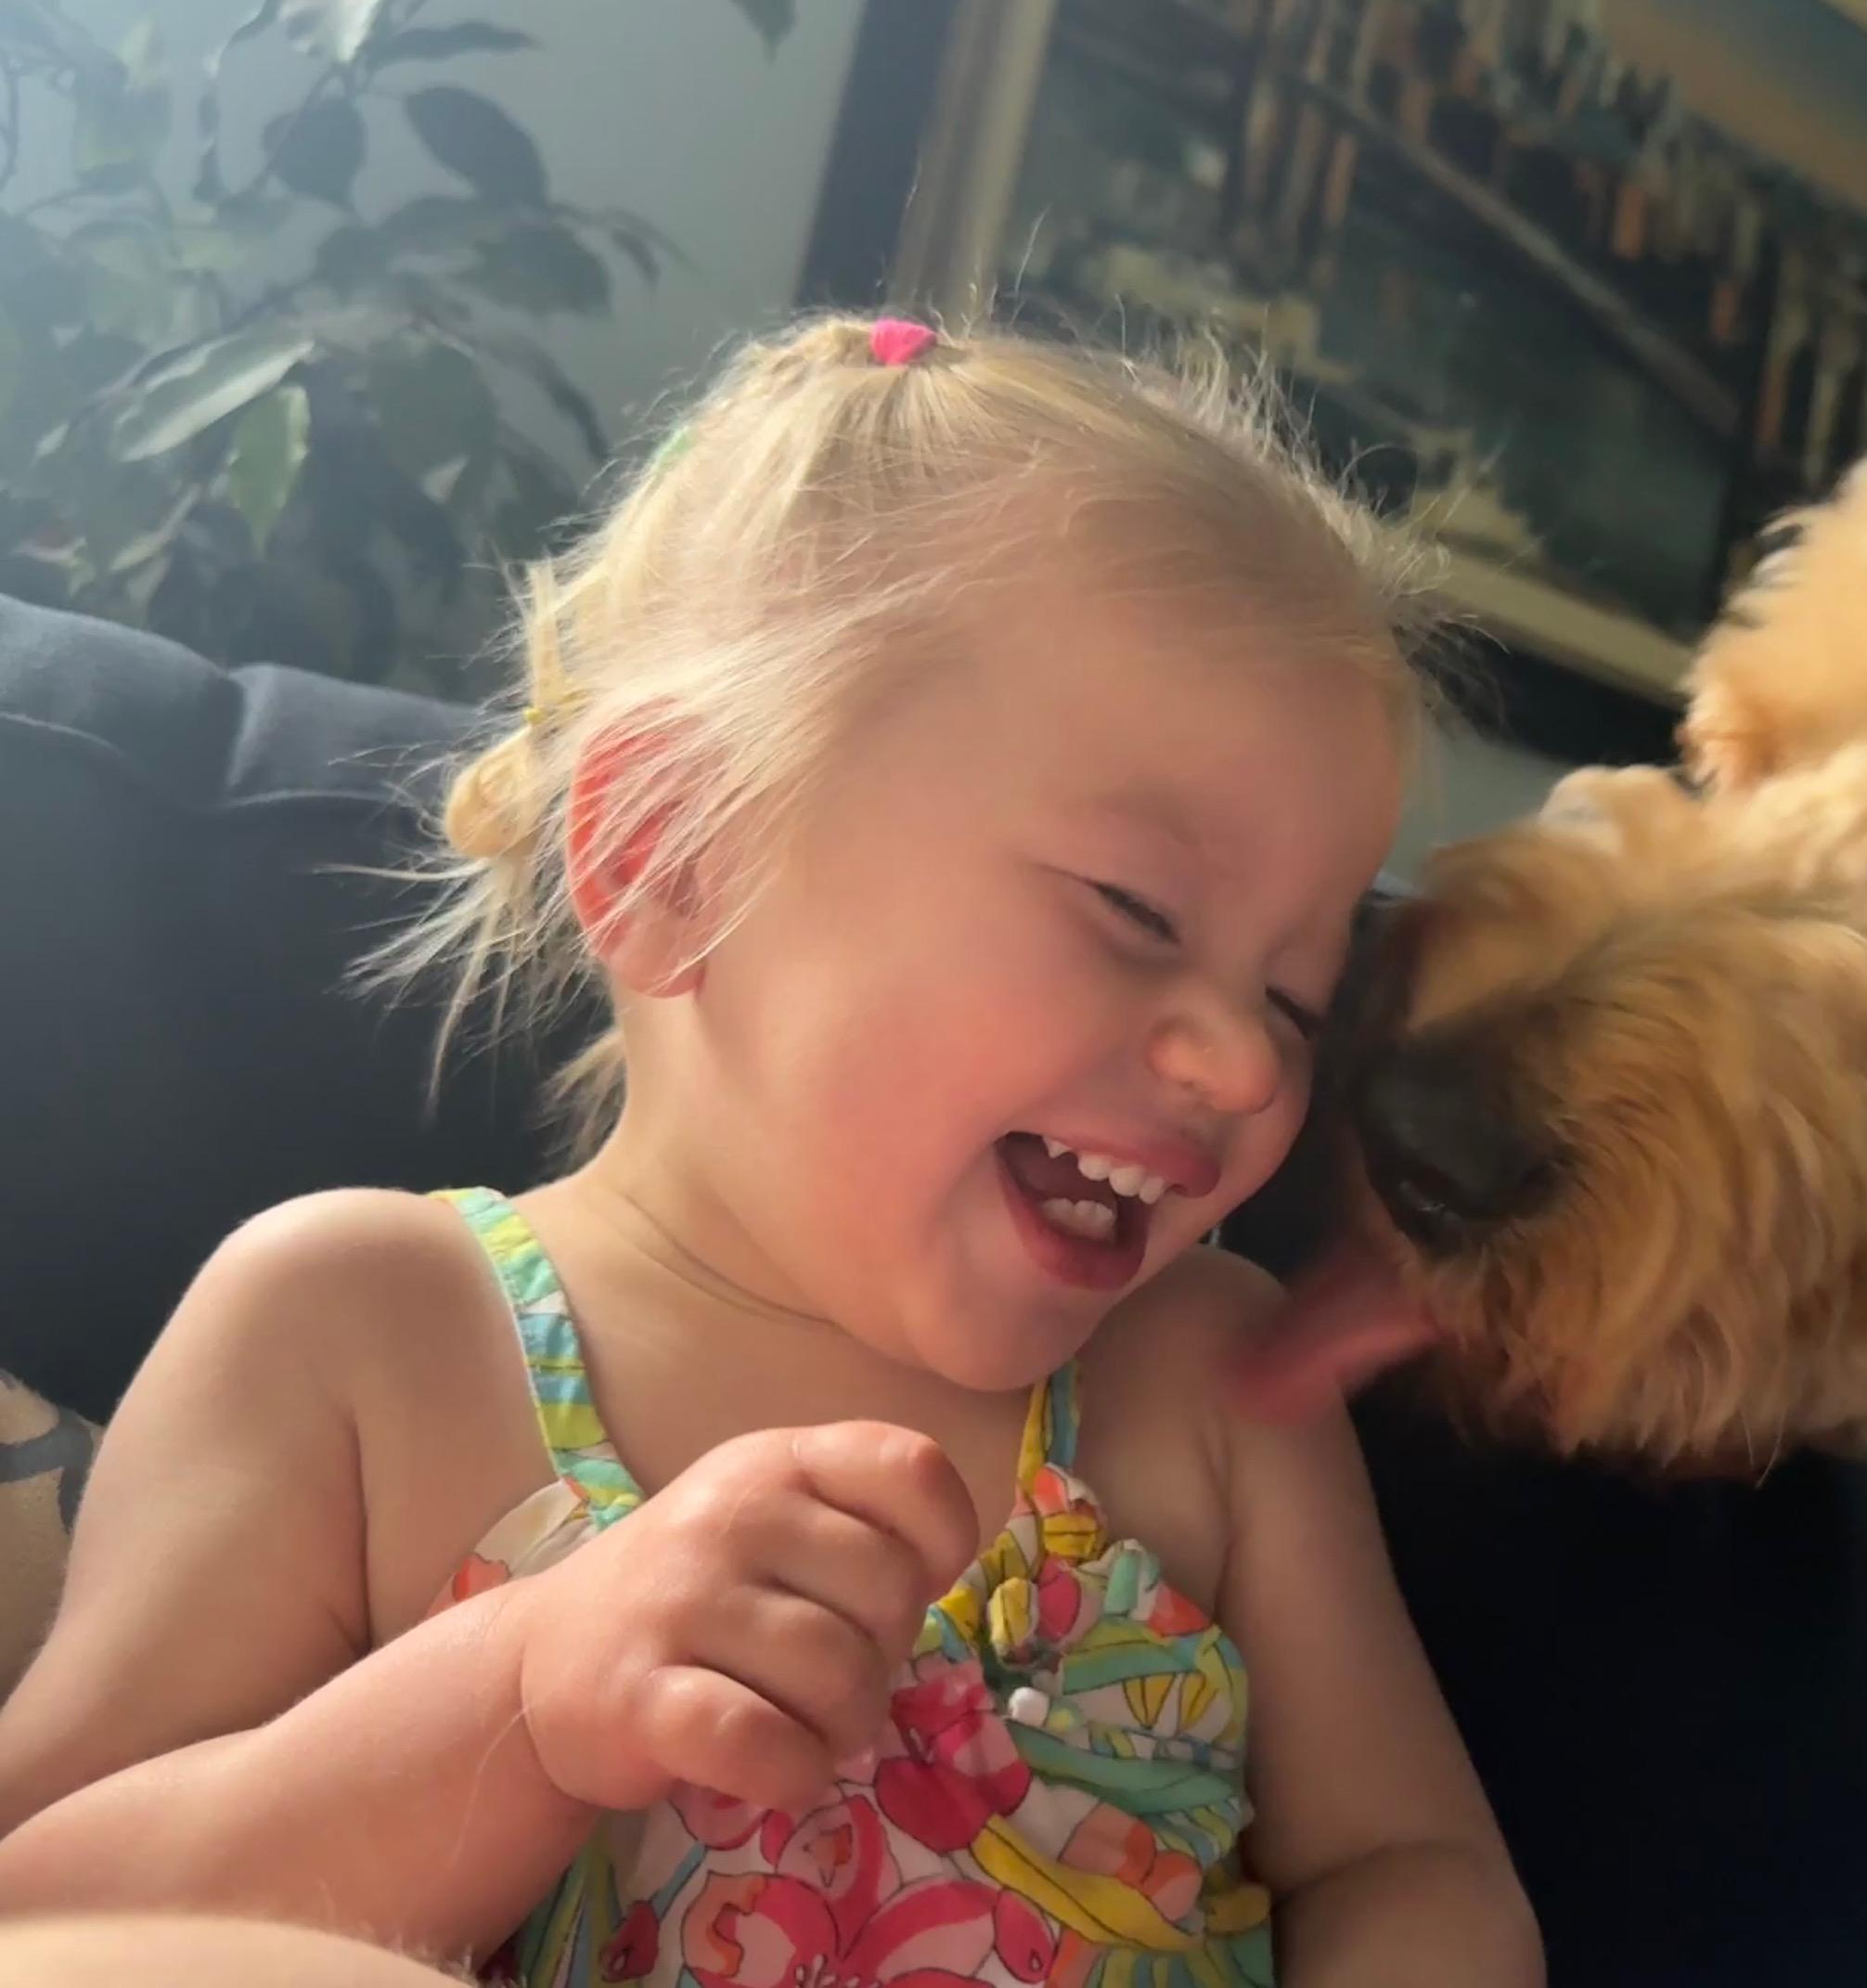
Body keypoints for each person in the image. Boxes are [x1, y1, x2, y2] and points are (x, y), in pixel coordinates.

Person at [0, 316, 1538, 1987]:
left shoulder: (1219, 1387)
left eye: (1300, 998)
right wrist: (525, 1695)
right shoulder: (364, 1327)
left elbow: (1412, 1865)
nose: (1244, 1061)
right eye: (1135, 911)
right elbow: (53, 1913)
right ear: (676, 856)